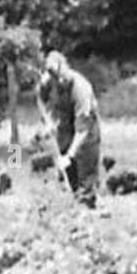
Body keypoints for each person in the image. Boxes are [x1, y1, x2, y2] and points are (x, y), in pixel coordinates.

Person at [37, 50, 103, 209]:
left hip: (86, 127)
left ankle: (88, 203)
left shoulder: (80, 88)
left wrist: (70, 155)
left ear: (65, 67)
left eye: (58, 75)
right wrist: (48, 121)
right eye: (52, 75)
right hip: (65, 123)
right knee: (69, 170)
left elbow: (82, 131)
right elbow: (39, 97)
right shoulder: (47, 81)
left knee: (84, 166)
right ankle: (75, 201)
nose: (56, 80)